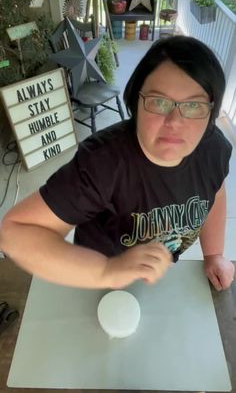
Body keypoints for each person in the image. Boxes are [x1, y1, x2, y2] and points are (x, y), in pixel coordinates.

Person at [0, 35, 235, 291]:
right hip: (94, 273)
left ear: (211, 112)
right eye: (158, 102)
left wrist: (214, 254)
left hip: (158, 273)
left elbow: (214, 190)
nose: (175, 121)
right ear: (136, 103)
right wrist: (106, 272)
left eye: (193, 105)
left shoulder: (213, 149)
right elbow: (15, 233)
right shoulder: (103, 163)